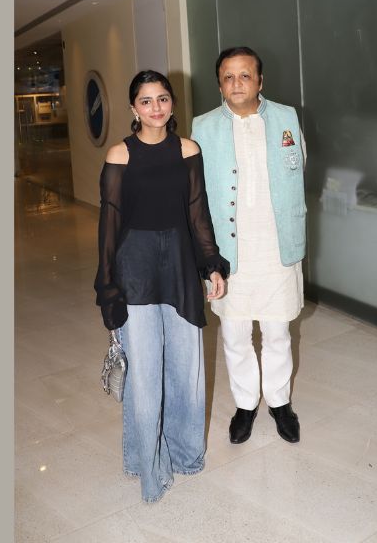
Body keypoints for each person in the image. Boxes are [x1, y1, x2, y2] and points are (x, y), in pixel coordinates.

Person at [94, 70, 229, 503]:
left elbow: (198, 213)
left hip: (179, 265)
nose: (156, 108)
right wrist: (108, 287)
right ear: (133, 108)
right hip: (134, 267)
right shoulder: (120, 154)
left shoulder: (188, 149)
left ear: (172, 103)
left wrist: (211, 265)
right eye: (146, 100)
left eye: (163, 99)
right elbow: (109, 226)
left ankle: (187, 455)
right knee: (145, 372)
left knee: (187, 367)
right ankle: (145, 462)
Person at [191, 46, 306, 445]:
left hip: (277, 246)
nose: (236, 83)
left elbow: (299, 166)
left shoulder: (287, 117)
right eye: (228, 77)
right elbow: (196, 193)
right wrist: (205, 255)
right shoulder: (204, 126)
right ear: (219, 84)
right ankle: (245, 404)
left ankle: (279, 402)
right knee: (235, 334)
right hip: (229, 251)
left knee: (278, 331)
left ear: (260, 80)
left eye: (245, 75)